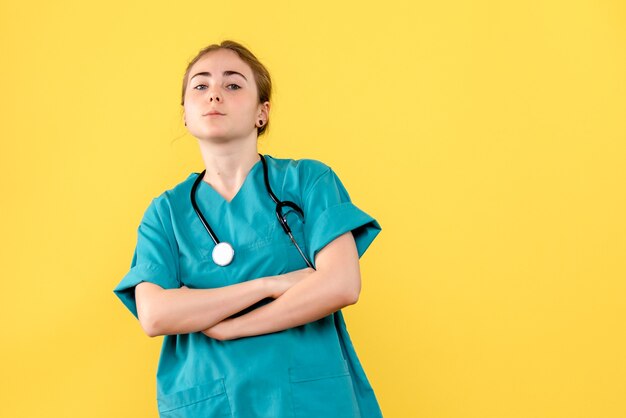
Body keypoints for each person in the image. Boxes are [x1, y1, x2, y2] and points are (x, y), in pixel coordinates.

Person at [113, 40, 383, 418]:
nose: (215, 96)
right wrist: (270, 285)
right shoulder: (166, 213)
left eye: (233, 85)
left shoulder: (308, 181)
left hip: (309, 398)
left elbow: (341, 285)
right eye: (201, 86)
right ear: (186, 115)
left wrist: (233, 327)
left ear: (262, 112)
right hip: (211, 402)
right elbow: (156, 314)